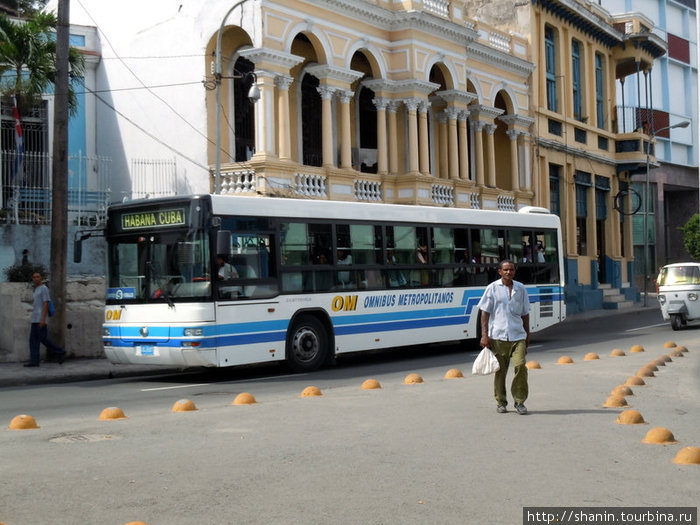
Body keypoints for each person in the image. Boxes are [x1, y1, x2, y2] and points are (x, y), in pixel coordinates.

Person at [477, 260, 530, 415]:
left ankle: (520, 401)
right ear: (499, 271)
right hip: (498, 336)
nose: (509, 272)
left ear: (514, 271)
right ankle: (501, 401)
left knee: (520, 366)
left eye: (511, 270)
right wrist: (484, 335)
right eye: (505, 270)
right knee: (500, 371)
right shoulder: (492, 288)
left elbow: (525, 313)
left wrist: (528, 333)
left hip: (518, 335)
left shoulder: (520, 288)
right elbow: (485, 313)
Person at [26, 271, 66, 367]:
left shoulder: (44, 289)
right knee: (39, 340)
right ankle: (35, 361)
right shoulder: (36, 289)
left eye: (37, 277)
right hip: (35, 319)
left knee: (38, 340)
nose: (35, 278)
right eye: (34, 277)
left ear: (41, 278)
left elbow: (46, 303)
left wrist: (43, 319)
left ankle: (59, 351)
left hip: (40, 319)